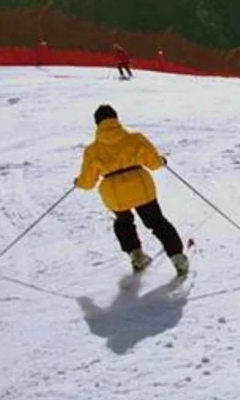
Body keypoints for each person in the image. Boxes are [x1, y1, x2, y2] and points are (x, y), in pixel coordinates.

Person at [74, 104, 189, 276]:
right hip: (140, 186)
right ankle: (178, 258)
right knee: (157, 222)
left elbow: (88, 182)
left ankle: (137, 256)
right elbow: (153, 162)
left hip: (114, 193)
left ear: (97, 124)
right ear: (116, 119)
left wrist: (78, 182)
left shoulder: (92, 150)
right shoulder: (135, 138)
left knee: (123, 222)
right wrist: (162, 161)